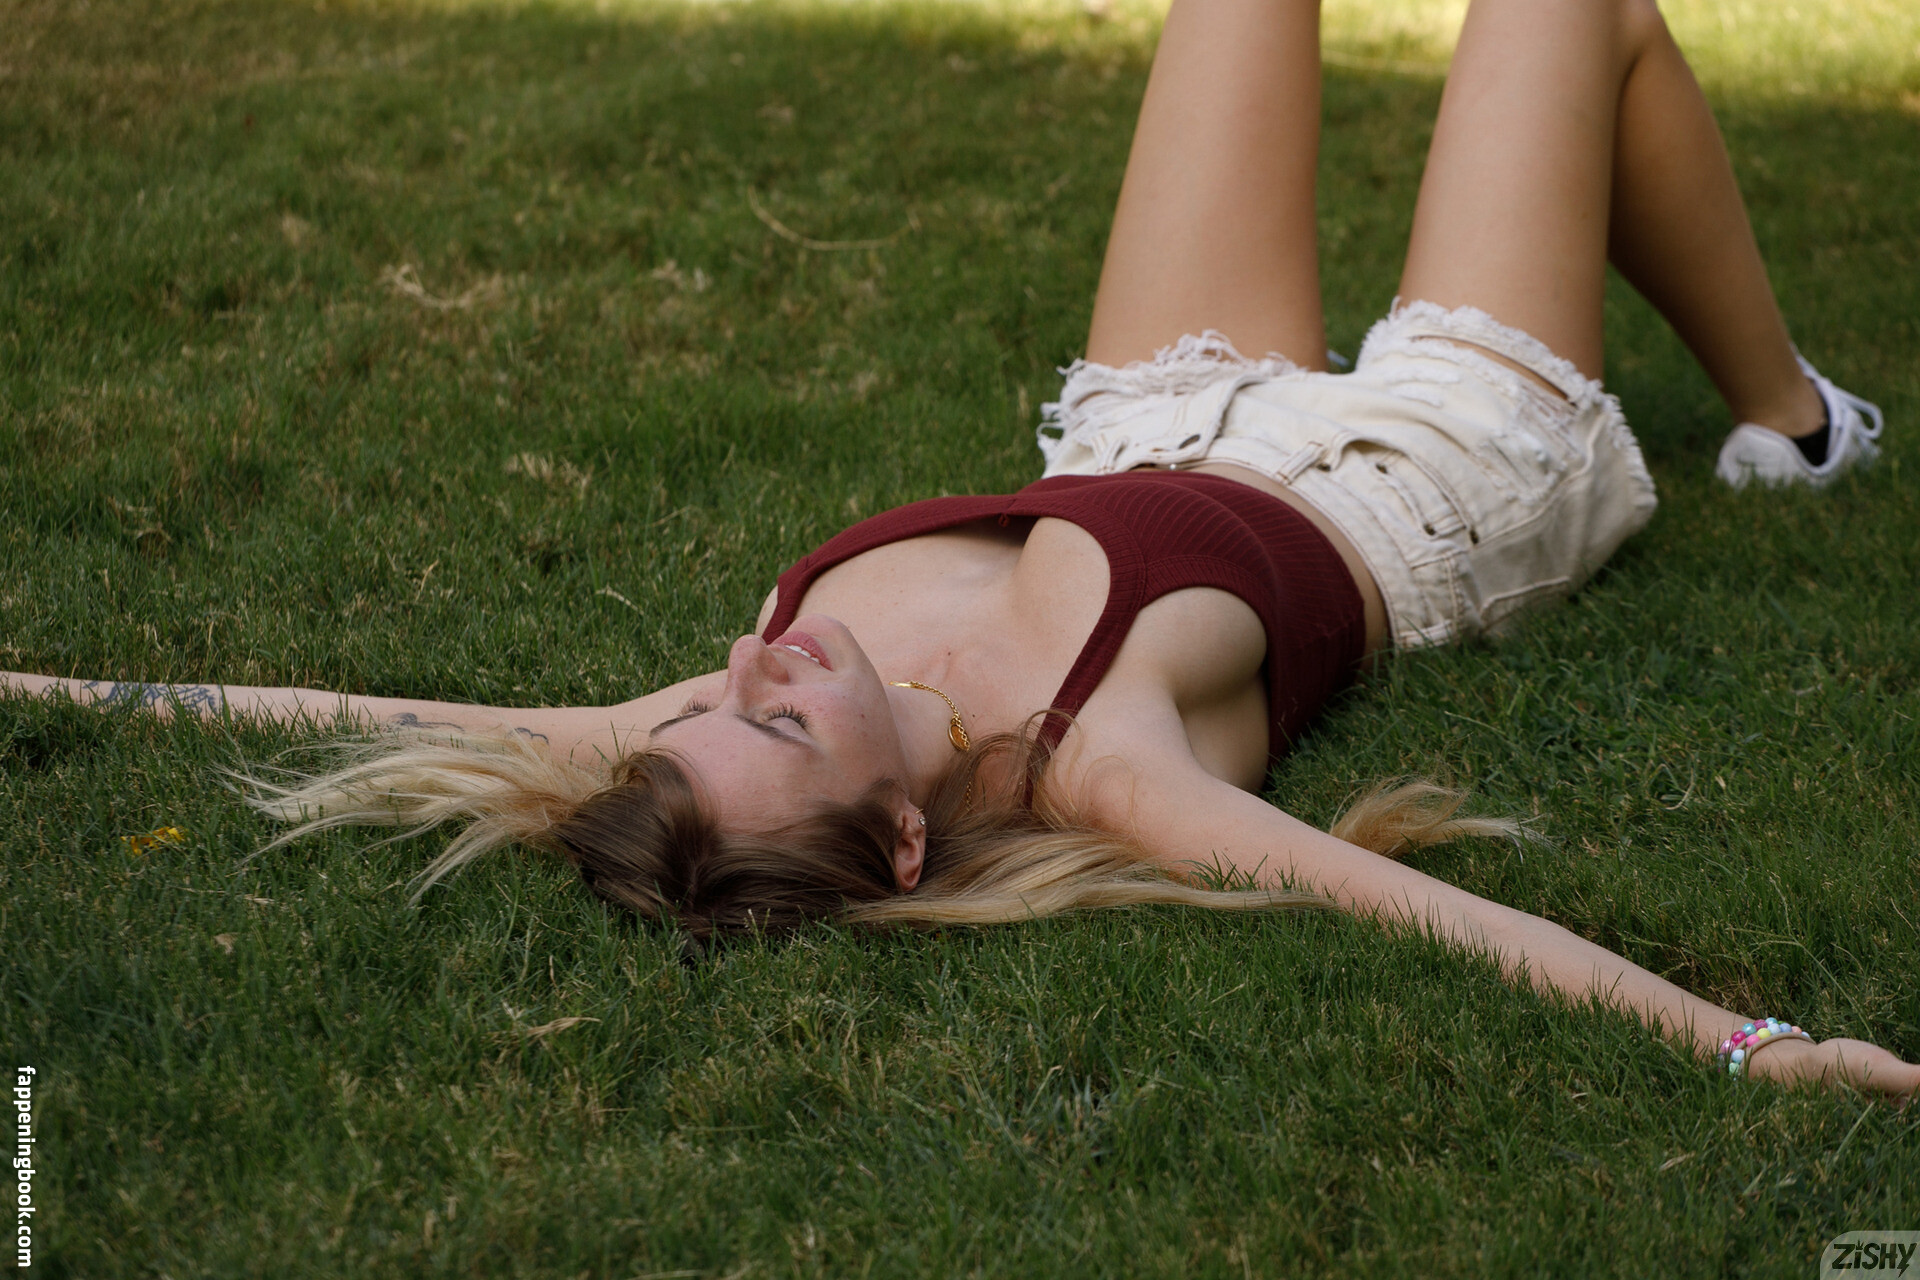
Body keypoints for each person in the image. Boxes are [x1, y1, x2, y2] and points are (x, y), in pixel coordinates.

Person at [4, 0, 1906, 1097]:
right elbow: (1440, 921)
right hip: (1421, 485)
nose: (753, 667)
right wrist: (1755, 1049)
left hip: (1152, 420)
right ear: (905, 842)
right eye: (780, 719)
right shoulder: (1106, 769)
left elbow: (367, 709)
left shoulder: (709, 739)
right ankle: (1800, 426)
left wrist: (49, 682)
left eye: (721, 695)